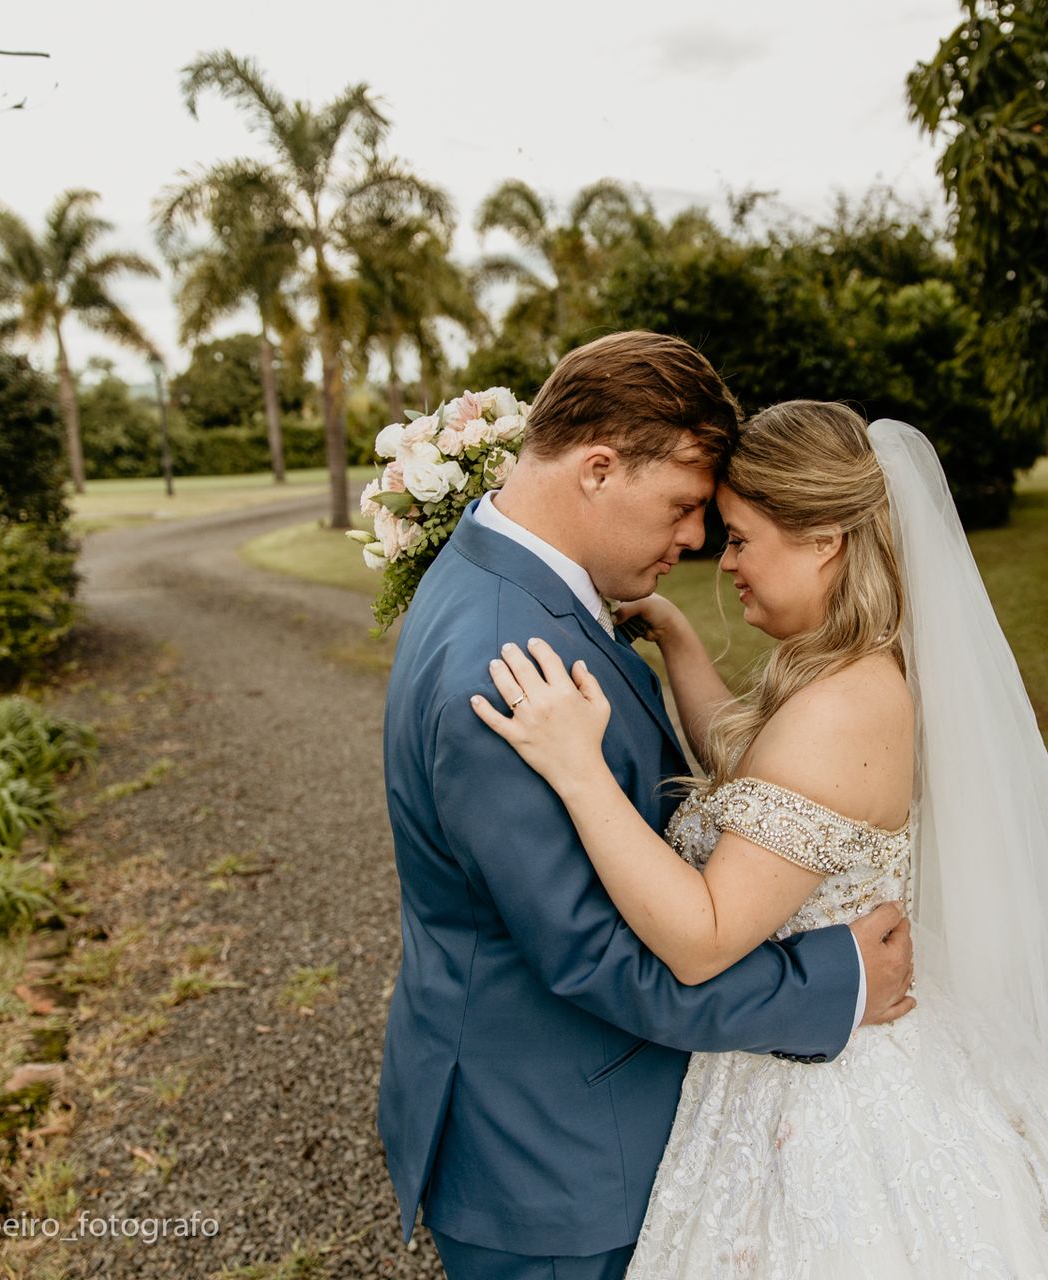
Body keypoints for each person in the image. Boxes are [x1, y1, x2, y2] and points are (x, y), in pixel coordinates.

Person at [474, 400, 1048, 1278]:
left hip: (829, 1091)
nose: (726, 563)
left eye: (742, 538)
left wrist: (578, 770)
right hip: (808, 1041)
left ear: (824, 539)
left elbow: (702, 936)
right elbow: (759, 775)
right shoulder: (848, 667)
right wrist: (676, 635)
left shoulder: (840, 709)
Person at [377, 337, 916, 1280]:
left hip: (581, 1123)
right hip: (555, 1159)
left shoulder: (514, 591)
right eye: (684, 508)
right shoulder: (505, 674)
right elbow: (597, 956)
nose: (699, 542)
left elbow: (741, 786)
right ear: (597, 470)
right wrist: (834, 984)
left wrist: (668, 645)